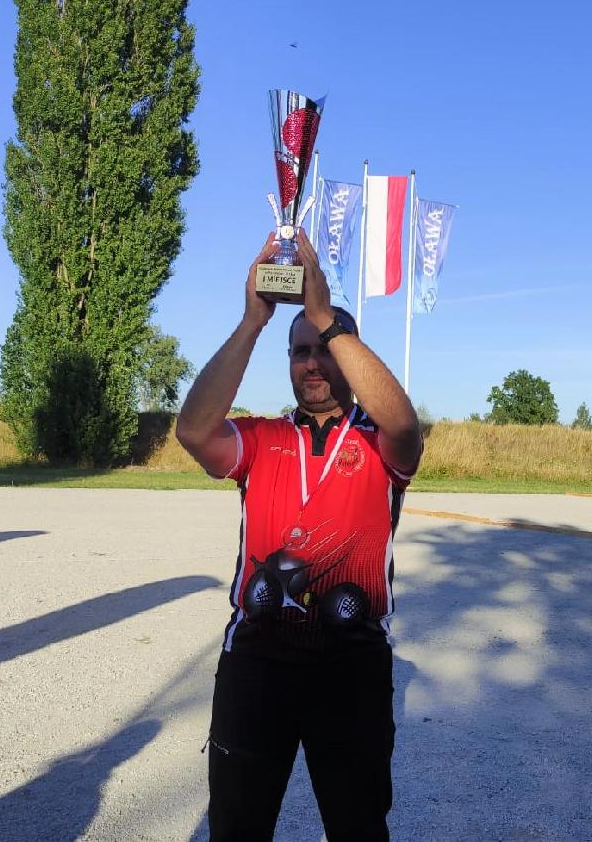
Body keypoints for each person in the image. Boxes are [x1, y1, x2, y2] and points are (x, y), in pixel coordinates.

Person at [175, 229, 423, 842]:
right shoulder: (262, 438)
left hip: (351, 661)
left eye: (325, 350)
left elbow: (404, 425)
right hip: (259, 658)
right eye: (300, 351)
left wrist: (326, 318)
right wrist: (252, 322)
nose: (313, 363)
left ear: (350, 354)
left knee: (358, 828)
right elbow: (194, 431)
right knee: (237, 828)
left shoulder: (379, 443)